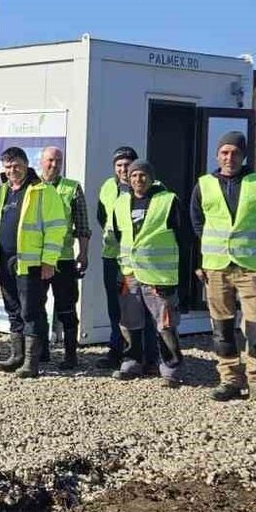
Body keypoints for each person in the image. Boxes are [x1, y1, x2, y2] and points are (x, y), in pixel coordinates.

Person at [191, 130, 256, 407]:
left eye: (234, 153)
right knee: (222, 327)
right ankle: (230, 379)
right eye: (224, 152)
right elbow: (197, 222)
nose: (229, 157)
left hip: (250, 268)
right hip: (217, 267)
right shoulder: (204, 185)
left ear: (243, 156)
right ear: (217, 155)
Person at [0, 147, 67, 378]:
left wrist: (49, 261)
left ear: (26, 165)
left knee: (31, 311)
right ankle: (17, 356)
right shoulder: (3, 190)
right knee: (13, 309)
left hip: (31, 263)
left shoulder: (43, 191)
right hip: (6, 261)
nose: (12, 170)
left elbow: (56, 228)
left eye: (17, 166)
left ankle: (32, 363)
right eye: (8, 167)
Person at [109, 160, 185, 386]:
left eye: (142, 175)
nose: (137, 180)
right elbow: (118, 235)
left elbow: (183, 235)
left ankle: (171, 367)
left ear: (151, 178)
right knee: (129, 320)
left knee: (165, 323)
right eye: (133, 175)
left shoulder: (168, 200)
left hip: (158, 274)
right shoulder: (121, 202)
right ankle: (132, 361)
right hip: (129, 272)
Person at [95, 146, 160, 373]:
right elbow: (102, 217)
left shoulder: (153, 189)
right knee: (117, 308)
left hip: (142, 261)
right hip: (113, 257)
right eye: (119, 165)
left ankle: (150, 357)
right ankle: (117, 351)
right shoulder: (107, 187)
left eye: (128, 165)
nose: (123, 169)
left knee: (146, 309)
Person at [38, 146, 89, 369]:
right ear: (42, 161)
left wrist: (83, 253)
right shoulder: (33, 186)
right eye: (50, 160)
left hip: (64, 259)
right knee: (36, 306)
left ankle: (70, 355)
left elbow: (83, 225)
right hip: (36, 258)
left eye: (58, 160)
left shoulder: (72, 188)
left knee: (67, 307)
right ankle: (41, 351)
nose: (54, 164)